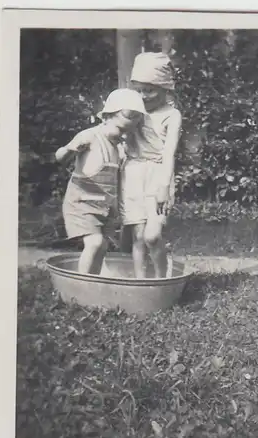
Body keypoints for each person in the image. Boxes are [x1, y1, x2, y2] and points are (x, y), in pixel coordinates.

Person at [55, 88, 147, 275]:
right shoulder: (89, 136)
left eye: (128, 133)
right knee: (95, 242)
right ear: (105, 117)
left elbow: (115, 183)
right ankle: (80, 282)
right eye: (121, 129)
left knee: (102, 246)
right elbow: (59, 157)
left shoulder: (119, 148)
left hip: (104, 209)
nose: (123, 136)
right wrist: (70, 150)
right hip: (81, 203)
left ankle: (93, 280)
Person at [119, 52, 182, 279]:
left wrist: (164, 186)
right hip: (133, 174)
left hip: (158, 174)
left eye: (150, 90)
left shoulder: (172, 115)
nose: (144, 96)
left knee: (152, 236)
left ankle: (161, 279)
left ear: (165, 89)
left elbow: (169, 153)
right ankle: (139, 282)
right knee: (137, 236)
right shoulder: (133, 110)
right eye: (139, 90)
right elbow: (115, 132)